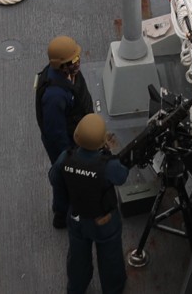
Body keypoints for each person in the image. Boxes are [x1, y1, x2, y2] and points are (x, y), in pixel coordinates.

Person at [50, 114, 129, 293]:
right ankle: (113, 288)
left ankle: (76, 287)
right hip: (104, 221)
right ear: (102, 141)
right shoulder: (108, 166)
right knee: (110, 258)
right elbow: (122, 176)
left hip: (76, 217)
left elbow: (54, 178)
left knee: (78, 257)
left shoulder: (65, 158)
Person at [36, 34, 94, 165]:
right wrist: (71, 159)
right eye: (73, 61)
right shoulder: (54, 97)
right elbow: (56, 135)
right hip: (72, 147)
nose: (78, 63)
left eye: (78, 58)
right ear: (60, 65)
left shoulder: (71, 72)